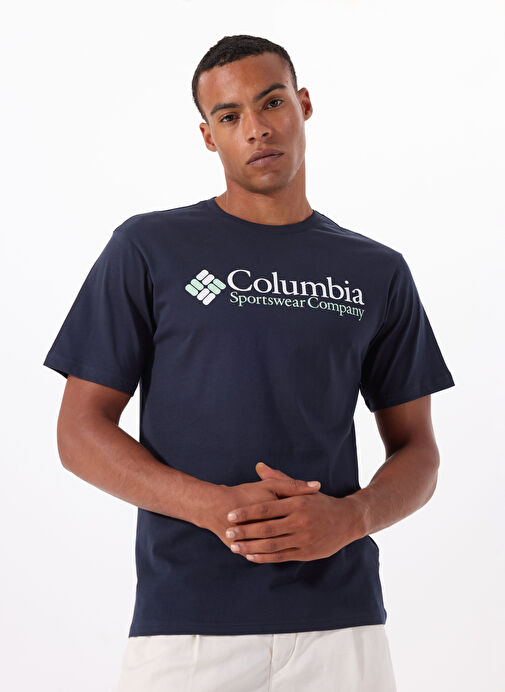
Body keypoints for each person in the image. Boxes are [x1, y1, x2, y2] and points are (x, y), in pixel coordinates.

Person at [42, 34, 455, 692]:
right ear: (208, 137)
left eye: (272, 103)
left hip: (340, 625)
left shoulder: (375, 270)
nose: (256, 129)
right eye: (229, 116)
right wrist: (216, 508)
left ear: (303, 104)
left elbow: (419, 452)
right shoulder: (149, 247)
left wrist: (351, 519)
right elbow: (78, 433)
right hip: (188, 629)